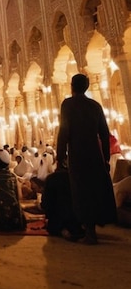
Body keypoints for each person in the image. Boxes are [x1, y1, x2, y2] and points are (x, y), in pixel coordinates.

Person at [56, 73, 117, 244]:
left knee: (81, 192)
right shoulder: (95, 106)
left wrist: (60, 157)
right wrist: (105, 158)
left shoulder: (68, 105)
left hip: (78, 154)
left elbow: (64, 133)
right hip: (95, 154)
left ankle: (90, 233)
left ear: (72, 86)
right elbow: (105, 135)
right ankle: (92, 229)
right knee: (95, 190)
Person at [41, 161, 84, 240]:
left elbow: (45, 203)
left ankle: (62, 230)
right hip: (75, 217)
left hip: (57, 217)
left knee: (54, 225)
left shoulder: (51, 178)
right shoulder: (76, 177)